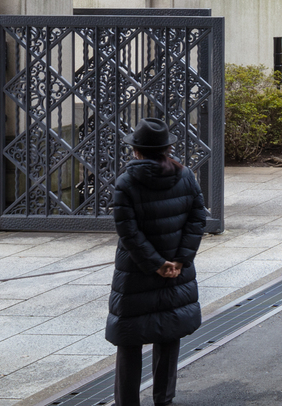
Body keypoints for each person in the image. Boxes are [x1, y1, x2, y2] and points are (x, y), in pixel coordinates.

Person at [107, 118, 208, 406]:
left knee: (130, 339)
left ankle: (127, 402)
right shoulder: (185, 175)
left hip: (136, 271)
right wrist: (179, 261)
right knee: (168, 331)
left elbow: (127, 231)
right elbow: (198, 217)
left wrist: (155, 263)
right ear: (168, 149)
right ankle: (163, 399)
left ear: (137, 151)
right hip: (176, 270)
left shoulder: (126, 182)